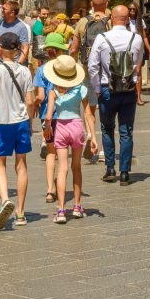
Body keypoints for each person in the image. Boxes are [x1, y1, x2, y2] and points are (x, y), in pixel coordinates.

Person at [87, 4, 144, 185]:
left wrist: (97, 89)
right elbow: (138, 64)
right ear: (128, 20)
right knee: (126, 131)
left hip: (107, 88)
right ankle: (125, 172)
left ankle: (110, 168)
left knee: (107, 128)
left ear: (111, 19)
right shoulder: (136, 39)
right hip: (129, 90)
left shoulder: (102, 38)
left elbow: (92, 66)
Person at [0, 30, 34, 228]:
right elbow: (30, 101)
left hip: (4, 122)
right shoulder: (25, 71)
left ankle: (5, 199)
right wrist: (30, 124)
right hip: (21, 121)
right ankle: (21, 213)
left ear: (0, 49)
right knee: (21, 165)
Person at [43, 54, 89, 223]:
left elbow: (49, 116)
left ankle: (61, 210)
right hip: (76, 126)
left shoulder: (53, 91)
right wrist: (92, 135)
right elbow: (88, 114)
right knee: (76, 167)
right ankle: (77, 206)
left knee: (62, 169)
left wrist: (47, 128)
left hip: (61, 128)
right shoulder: (81, 89)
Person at [71, 0, 111, 163]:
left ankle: (91, 135)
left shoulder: (82, 22)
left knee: (89, 107)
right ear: (106, 3)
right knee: (107, 109)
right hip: (107, 72)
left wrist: (73, 67)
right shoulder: (111, 21)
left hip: (88, 70)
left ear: (91, 4)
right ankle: (103, 149)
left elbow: (74, 48)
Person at [34, 32, 67, 202]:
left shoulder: (41, 70)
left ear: (47, 51)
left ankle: (50, 190)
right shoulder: (67, 68)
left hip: (48, 115)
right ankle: (61, 184)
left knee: (50, 151)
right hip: (66, 114)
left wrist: (34, 103)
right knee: (62, 152)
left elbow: (40, 97)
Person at [0, 0, 30, 65]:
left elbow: (25, 48)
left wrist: (18, 65)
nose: (2, 11)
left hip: (13, 65)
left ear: (12, 13)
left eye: (4, 9)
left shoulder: (21, 27)